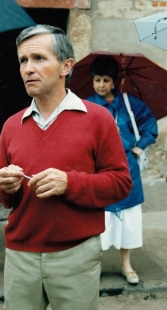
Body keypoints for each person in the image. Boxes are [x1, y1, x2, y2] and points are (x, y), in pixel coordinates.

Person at [0, 25, 132, 310]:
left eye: (39, 58)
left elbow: (120, 183)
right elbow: (1, 193)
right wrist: (2, 185)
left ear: (66, 66)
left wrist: (70, 182)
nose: (28, 68)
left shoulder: (98, 119)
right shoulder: (12, 125)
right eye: (23, 61)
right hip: (20, 255)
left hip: (76, 254)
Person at [86, 55, 158, 284]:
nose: (101, 85)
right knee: (99, 220)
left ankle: (127, 265)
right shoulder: (86, 106)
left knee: (127, 219)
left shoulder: (129, 103)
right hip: (99, 170)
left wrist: (140, 145)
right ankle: (93, 266)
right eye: (97, 80)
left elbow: (149, 124)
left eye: (106, 80)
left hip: (127, 169)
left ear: (114, 81)